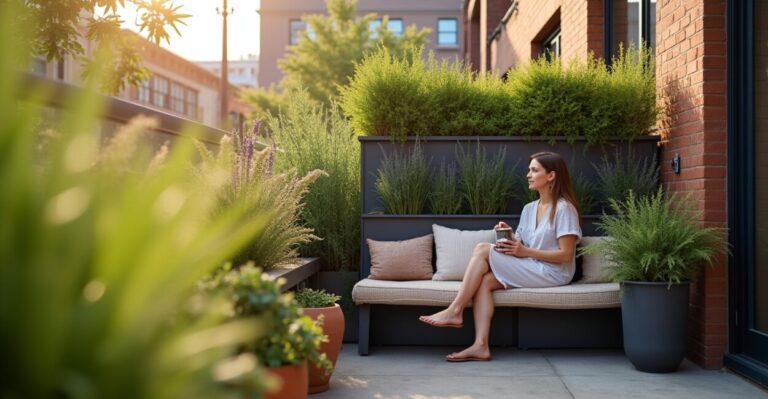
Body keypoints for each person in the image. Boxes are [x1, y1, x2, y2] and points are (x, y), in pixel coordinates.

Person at [418, 151, 582, 362]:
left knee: (482, 249)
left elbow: (566, 255)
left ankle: (455, 309)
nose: (528, 175)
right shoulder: (529, 209)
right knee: (485, 282)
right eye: (529, 170)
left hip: (555, 272)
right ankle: (481, 345)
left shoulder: (564, 209)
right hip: (532, 265)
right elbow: (522, 244)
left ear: (551, 175)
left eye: (534, 170)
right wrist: (510, 235)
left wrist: (525, 252)